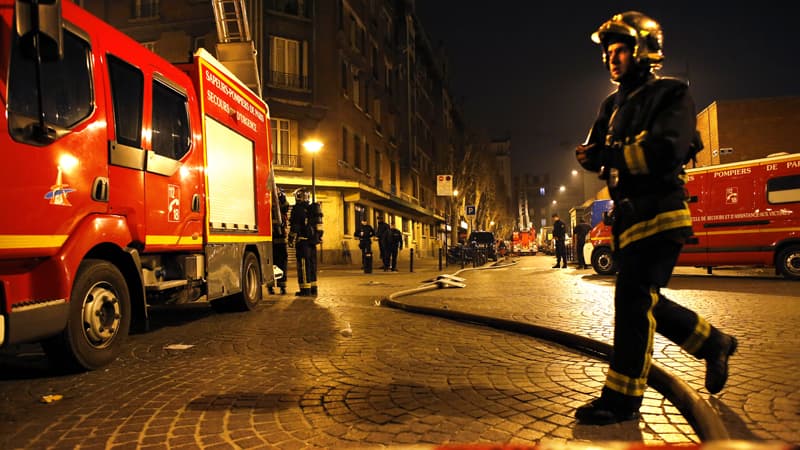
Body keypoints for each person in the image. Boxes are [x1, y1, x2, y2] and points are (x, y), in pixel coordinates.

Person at [574, 11, 737, 425]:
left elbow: (664, 150)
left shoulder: (671, 95)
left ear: (643, 51)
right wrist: (590, 156)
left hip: (661, 213)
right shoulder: (610, 105)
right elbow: (599, 153)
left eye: (621, 50)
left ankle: (621, 400)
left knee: (632, 300)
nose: (612, 59)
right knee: (642, 300)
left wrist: (609, 156)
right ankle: (713, 342)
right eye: (608, 52)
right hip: (628, 220)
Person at [288, 187, 318, 296]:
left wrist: (290, 239)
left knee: (304, 266)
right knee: (312, 265)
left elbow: (295, 226)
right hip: (312, 242)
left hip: (303, 242)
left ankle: (305, 290)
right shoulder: (312, 209)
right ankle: (313, 288)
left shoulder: (297, 209)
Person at [268, 187, 290, 294]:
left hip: (280, 239)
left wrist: (280, 196)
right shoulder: (267, 202)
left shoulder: (282, 203)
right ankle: (271, 285)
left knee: (281, 263)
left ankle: (282, 285)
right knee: (272, 264)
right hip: (271, 239)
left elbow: (286, 206)